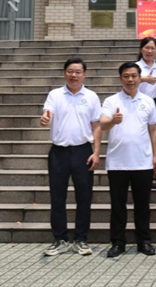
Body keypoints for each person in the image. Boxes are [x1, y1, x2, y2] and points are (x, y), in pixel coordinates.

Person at [40, 58, 102, 257]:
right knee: (57, 197)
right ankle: (60, 240)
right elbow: (47, 114)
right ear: (64, 73)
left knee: (84, 197)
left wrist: (96, 152)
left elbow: (96, 125)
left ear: (84, 74)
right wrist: (45, 119)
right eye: (70, 71)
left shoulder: (91, 96)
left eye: (77, 72)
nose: (73, 75)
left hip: (83, 151)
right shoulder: (55, 94)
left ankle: (81, 239)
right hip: (59, 152)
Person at [100, 62, 156, 258]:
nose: (130, 80)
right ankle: (118, 242)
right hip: (117, 163)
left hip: (142, 161)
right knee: (118, 206)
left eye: (134, 76)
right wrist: (113, 120)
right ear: (120, 79)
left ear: (139, 78)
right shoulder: (111, 101)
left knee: (143, 204)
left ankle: (144, 241)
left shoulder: (148, 101)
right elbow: (103, 124)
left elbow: (153, 129)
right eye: (126, 76)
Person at [136, 37, 156, 189]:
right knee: (141, 137)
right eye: (147, 47)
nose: (149, 51)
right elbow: (128, 80)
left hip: (155, 103)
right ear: (141, 49)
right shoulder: (136, 66)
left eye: (153, 48)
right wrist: (143, 79)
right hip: (138, 104)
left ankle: (154, 173)